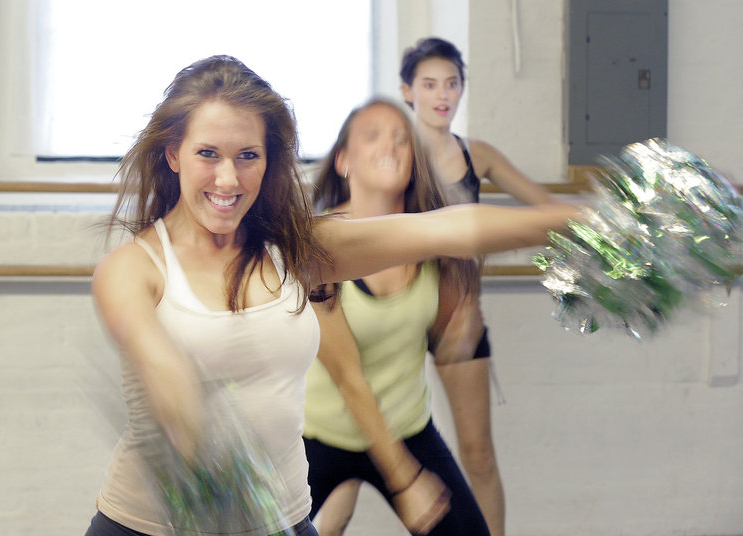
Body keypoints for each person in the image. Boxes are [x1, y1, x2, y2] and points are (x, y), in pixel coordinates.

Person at [83, 55, 575, 536]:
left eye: (247, 156)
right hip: (145, 527)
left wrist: (577, 221)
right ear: (173, 155)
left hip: (284, 521)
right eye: (208, 154)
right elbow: (159, 362)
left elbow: (447, 229)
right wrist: (208, 457)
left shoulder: (296, 251)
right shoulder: (132, 269)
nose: (228, 179)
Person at [315, 37, 560, 536]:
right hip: (337, 398)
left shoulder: (465, 169)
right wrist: (404, 477)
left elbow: (512, 219)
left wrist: (589, 225)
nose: (442, 94)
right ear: (409, 91)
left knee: (475, 453)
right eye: (429, 84)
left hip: (440, 330)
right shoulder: (342, 223)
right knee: (344, 477)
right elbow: (349, 380)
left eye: (452, 83)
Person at [303, 97, 496, 536]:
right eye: (373, 135)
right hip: (318, 436)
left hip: (408, 426)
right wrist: (404, 477)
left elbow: (451, 339)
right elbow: (349, 379)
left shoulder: (434, 247)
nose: (390, 145)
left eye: (401, 139)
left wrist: (459, 322)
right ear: (344, 161)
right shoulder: (319, 246)